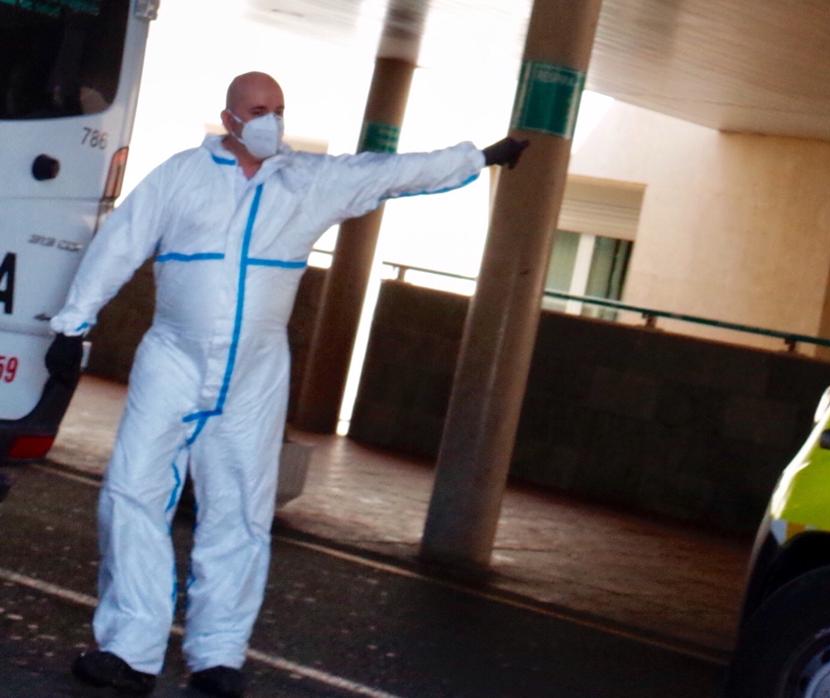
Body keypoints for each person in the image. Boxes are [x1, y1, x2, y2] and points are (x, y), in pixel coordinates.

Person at [48, 71, 528, 697]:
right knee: (133, 493)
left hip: (254, 374)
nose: (270, 118)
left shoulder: (308, 182)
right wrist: (73, 323)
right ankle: (130, 651)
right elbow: (121, 241)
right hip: (172, 357)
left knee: (241, 510)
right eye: (258, 108)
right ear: (230, 119)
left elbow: (389, 171)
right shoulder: (180, 176)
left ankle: (217, 656)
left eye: (278, 108)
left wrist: (478, 157)